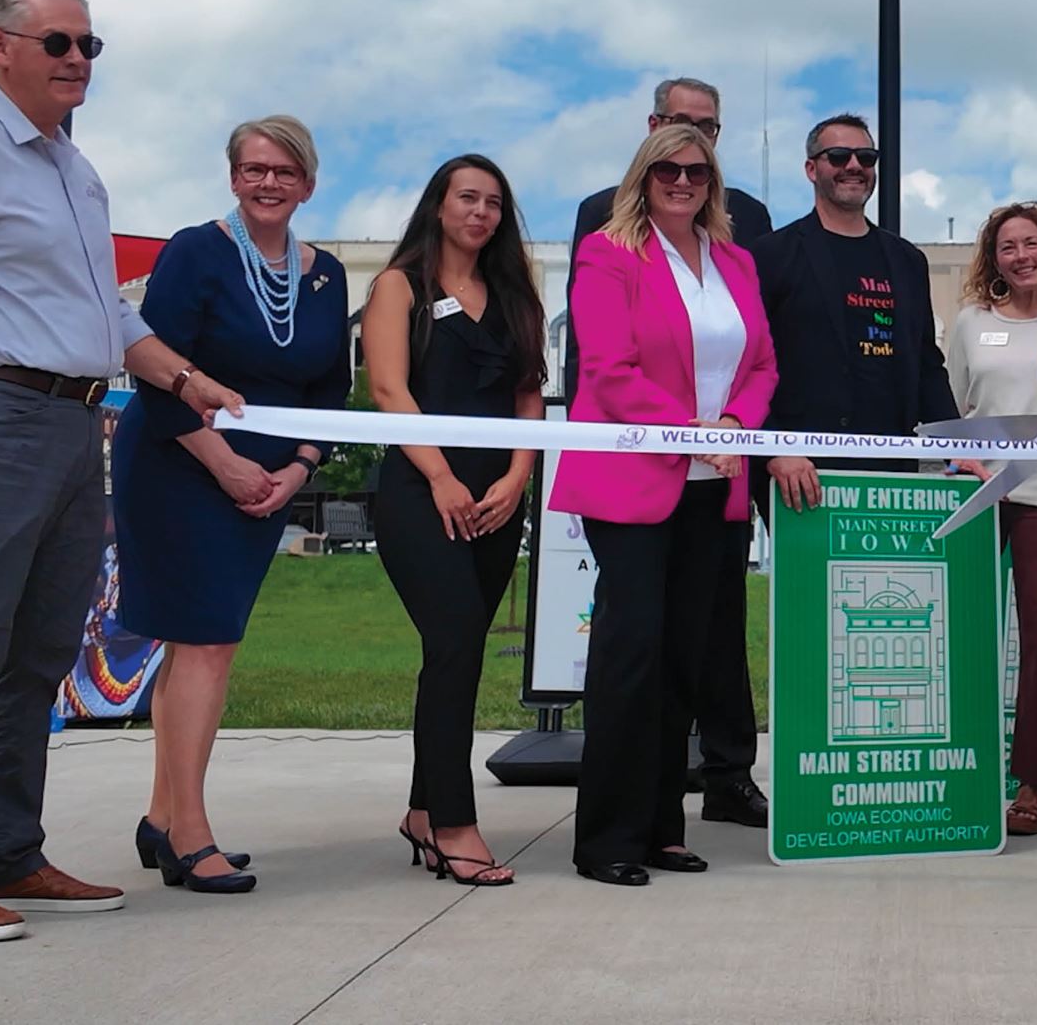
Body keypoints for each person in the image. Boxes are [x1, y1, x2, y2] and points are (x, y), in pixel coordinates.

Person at [0, 0, 244, 943]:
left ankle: (6, 853)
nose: (78, 61)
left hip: (75, 424)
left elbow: (105, 312)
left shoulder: (74, 170)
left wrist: (185, 378)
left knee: (37, 655)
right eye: (59, 44)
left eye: (89, 47)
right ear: (0, 47)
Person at [114, 117, 351, 895]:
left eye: (284, 171)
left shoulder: (327, 273)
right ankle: (190, 833)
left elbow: (328, 389)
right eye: (253, 169)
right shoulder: (195, 250)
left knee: (203, 646)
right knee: (205, 642)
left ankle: (160, 817)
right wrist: (223, 465)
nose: (268, 183)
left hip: (270, 479)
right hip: (181, 464)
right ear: (232, 177)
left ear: (309, 183)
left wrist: (298, 470)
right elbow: (157, 366)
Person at [554, 125, 778, 887]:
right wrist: (695, 435)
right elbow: (610, 373)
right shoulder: (607, 254)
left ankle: (661, 828)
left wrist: (736, 430)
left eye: (697, 171)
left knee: (685, 660)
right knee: (631, 656)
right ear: (643, 177)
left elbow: (762, 365)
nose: (682, 182)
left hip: (716, 488)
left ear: (713, 183)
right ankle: (607, 839)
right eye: (667, 170)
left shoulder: (738, 261)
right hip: (635, 484)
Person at [363, 154, 547, 886]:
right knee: (456, 641)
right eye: (467, 198)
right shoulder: (397, 286)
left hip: (498, 496)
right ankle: (454, 824)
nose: (480, 212)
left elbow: (529, 395)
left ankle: (419, 809)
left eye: (494, 202)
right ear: (438, 204)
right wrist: (440, 476)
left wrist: (515, 478)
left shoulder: (513, 294)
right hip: (421, 492)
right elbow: (387, 387)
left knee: (458, 653)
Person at [943, 202, 1037, 837]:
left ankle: (1034, 781)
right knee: (958, 636)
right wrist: (960, 455)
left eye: (1031, 244)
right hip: (975, 494)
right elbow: (951, 402)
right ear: (992, 260)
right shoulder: (971, 322)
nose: (1020, 256)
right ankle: (954, 769)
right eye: (1007, 248)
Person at [749, 113, 956, 512]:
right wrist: (773, 448)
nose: (854, 166)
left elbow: (928, 365)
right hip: (801, 470)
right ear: (812, 169)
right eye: (839, 156)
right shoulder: (770, 255)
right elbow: (749, 363)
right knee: (809, 577)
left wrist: (954, 447)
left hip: (889, 469)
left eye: (866, 157)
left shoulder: (907, 260)